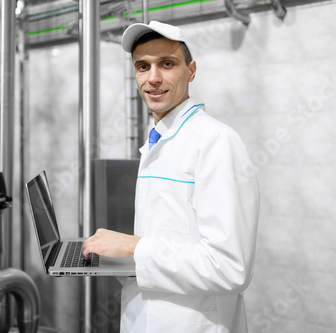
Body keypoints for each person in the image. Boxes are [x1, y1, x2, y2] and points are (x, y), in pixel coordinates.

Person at [82, 21, 260, 332]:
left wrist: (134, 249)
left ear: (191, 71)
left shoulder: (215, 141)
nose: (153, 78)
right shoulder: (159, 139)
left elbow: (231, 267)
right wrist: (120, 257)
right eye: (142, 66)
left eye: (167, 64)